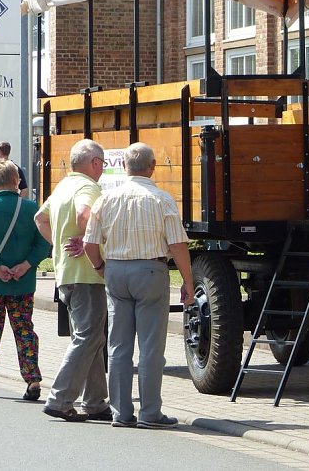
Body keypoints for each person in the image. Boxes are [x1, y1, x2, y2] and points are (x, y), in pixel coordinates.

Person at [83, 143, 193, 429]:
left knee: (118, 346)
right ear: (153, 166)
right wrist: (188, 283)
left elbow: (89, 243)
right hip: (151, 270)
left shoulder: (106, 199)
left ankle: (121, 412)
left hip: (116, 270)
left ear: (124, 167)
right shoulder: (162, 199)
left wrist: (100, 268)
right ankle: (150, 412)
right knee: (150, 346)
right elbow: (178, 245)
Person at [34, 139, 109, 423]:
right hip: (87, 273)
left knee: (92, 337)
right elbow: (84, 215)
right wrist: (91, 239)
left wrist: (58, 244)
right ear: (94, 163)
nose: (101, 170)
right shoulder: (88, 187)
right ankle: (60, 399)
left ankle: (96, 402)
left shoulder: (63, 186)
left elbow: (40, 219)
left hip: (66, 272)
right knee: (89, 336)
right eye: (101, 164)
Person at [0, 159, 51, 398]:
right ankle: (33, 380)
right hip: (22, 283)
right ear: (17, 181)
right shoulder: (31, 207)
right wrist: (25, 265)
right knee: (24, 329)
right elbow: (43, 242)